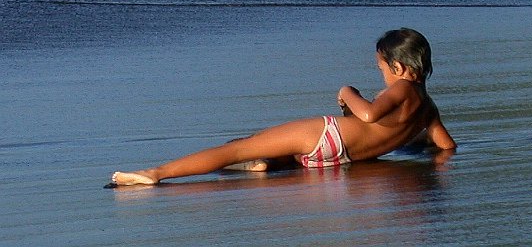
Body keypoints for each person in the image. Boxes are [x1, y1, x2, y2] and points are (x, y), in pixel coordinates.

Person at [111, 28, 456, 186]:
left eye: (380, 69)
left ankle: (157, 173)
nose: (381, 75)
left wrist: (347, 92)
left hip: (327, 134)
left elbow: (368, 114)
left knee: (238, 148)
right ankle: (265, 164)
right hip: (343, 157)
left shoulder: (401, 89)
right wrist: (414, 144)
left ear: (397, 67)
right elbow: (446, 146)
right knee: (268, 152)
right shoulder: (427, 107)